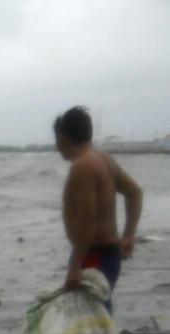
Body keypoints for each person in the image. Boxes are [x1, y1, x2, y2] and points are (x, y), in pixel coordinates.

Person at [53, 106, 143, 310]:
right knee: (98, 313)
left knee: (91, 318)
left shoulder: (82, 166)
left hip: (94, 255)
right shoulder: (103, 158)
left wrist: (75, 265)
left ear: (62, 137)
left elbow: (88, 218)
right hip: (108, 255)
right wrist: (128, 236)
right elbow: (134, 192)